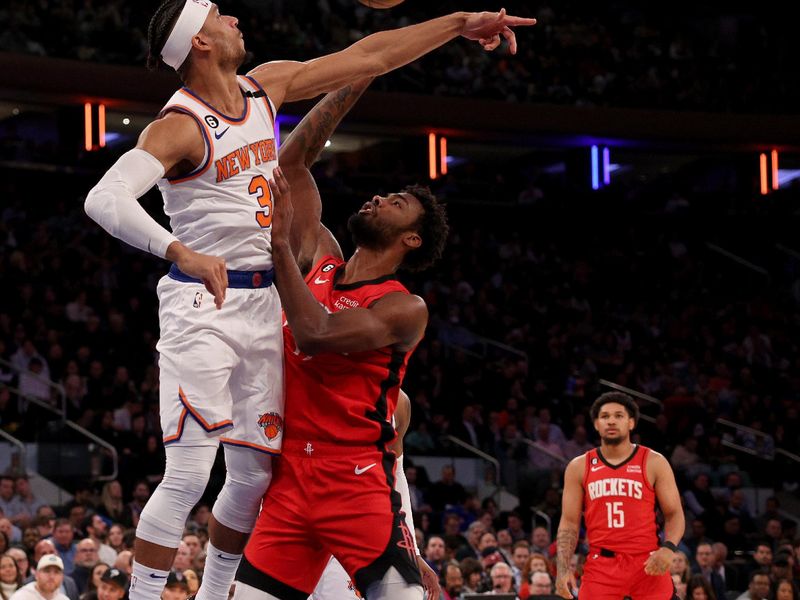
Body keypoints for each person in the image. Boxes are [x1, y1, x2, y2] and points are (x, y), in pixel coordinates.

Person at [83, 3, 535, 600]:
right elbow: (105, 198)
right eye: (219, 15)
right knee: (191, 471)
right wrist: (178, 251)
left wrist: (457, 24)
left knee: (250, 475)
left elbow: (369, 55)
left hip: (267, 303)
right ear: (200, 44)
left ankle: (214, 595)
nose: (234, 17)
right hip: (203, 303)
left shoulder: (265, 86)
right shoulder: (179, 126)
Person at [234, 74, 449, 599]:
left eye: (396, 203)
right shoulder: (321, 259)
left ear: (411, 238)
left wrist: (281, 249)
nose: (378, 198)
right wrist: (362, 70)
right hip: (289, 481)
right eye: (384, 194)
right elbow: (290, 163)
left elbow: (314, 333)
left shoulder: (403, 307)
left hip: (355, 480)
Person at [310, 391, 440, 600]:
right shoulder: (309, 381)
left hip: (358, 527)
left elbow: (396, 475)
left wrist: (413, 550)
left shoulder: (398, 402)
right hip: (303, 520)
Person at [555, 392, 685, 599]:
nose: (611, 421)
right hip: (601, 565)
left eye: (618, 415)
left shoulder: (654, 462)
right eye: (605, 417)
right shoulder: (579, 467)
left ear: (631, 423)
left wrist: (668, 549)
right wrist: (562, 568)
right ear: (597, 424)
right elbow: (569, 522)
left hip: (648, 563)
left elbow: (674, 514)